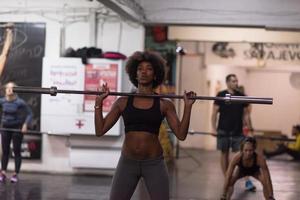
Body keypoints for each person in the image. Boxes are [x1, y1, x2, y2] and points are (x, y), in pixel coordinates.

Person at [94, 51, 196, 200]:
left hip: (154, 163)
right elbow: (100, 130)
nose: (143, 72)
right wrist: (98, 104)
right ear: (135, 74)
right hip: (127, 163)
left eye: (149, 68)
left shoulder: (164, 104)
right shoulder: (122, 102)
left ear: (155, 75)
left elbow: (181, 134)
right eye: (140, 68)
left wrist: (187, 107)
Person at [211, 74, 255, 191]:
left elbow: (246, 115)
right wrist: (213, 128)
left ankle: (247, 180)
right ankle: (227, 179)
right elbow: (214, 113)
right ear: (227, 82)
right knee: (224, 154)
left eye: (236, 81)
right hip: (223, 130)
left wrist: (249, 129)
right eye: (233, 81)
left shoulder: (242, 96)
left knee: (241, 156)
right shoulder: (220, 95)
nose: (236, 83)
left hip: (237, 130)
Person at [0, 82, 33, 183]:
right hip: (5, 128)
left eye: (12, 88)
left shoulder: (20, 102)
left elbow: (30, 114)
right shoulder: (2, 101)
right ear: (5, 90)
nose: (10, 90)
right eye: (8, 88)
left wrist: (25, 124)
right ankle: (3, 173)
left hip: (17, 129)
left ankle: (15, 174)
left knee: (16, 151)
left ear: (15, 90)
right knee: (5, 151)